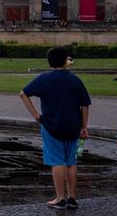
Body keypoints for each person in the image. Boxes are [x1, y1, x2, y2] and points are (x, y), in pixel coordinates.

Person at [19, 47, 91, 210]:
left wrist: (35, 115)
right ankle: (72, 197)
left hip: (51, 125)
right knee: (71, 162)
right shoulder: (75, 80)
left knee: (57, 162)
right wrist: (84, 126)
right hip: (73, 126)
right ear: (65, 60)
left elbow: (23, 94)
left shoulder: (45, 79)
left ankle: (60, 198)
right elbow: (85, 105)